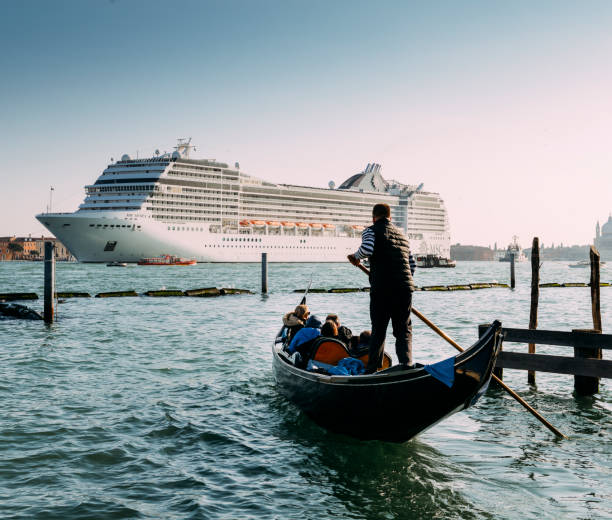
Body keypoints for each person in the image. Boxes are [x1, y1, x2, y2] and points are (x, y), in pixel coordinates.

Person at [347, 203, 416, 373]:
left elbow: (367, 248)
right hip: (405, 288)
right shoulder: (403, 235)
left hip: (383, 287)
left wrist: (355, 257)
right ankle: (406, 366)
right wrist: (402, 279)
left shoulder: (371, 230)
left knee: (379, 329)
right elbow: (412, 265)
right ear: (390, 217)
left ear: (373, 217)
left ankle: (373, 370)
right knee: (403, 330)